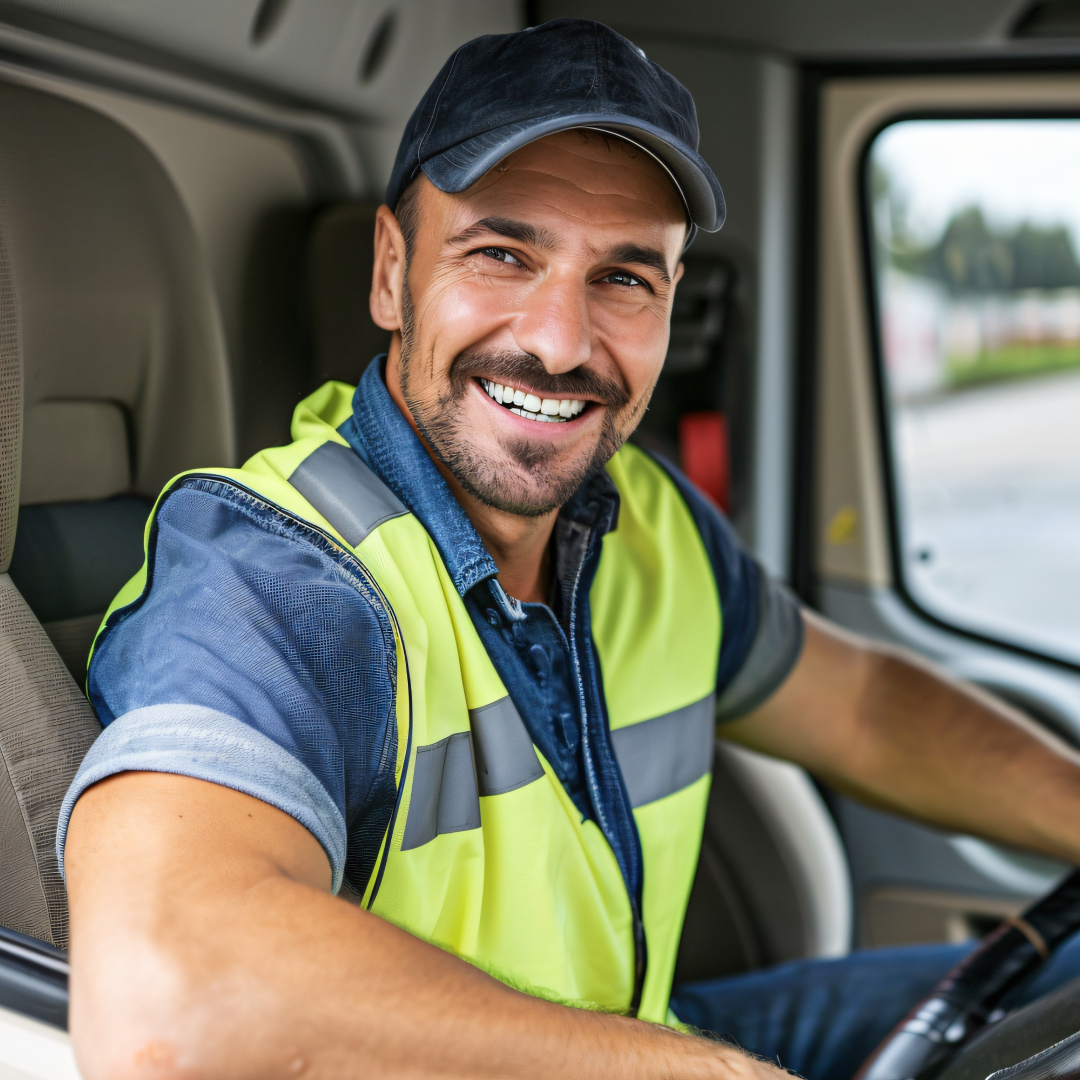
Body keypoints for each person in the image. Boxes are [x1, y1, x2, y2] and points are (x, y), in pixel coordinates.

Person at [61, 18, 1080, 1080]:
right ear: (390, 271)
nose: (557, 340)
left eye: (624, 279)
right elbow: (169, 1006)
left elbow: (864, 707)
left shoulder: (646, 518)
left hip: (636, 1037)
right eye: (503, 254)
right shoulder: (278, 572)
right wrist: (715, 1076)